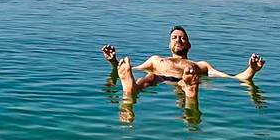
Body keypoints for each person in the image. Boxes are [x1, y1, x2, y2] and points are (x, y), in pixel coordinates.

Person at [101, 25, 265, 96]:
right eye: (174, 38)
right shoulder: (156, 60)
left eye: (182, 38)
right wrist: (114, 62)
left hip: (186, 78)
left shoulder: (200, 65)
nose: (178, 40)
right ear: (169, 44)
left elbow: (233, 78)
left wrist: (251, 70)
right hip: (160, 78)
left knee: (186, 81)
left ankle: (189, 89)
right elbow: (134, 68)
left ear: (189, 45)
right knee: (148, 77)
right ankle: (131, 87)